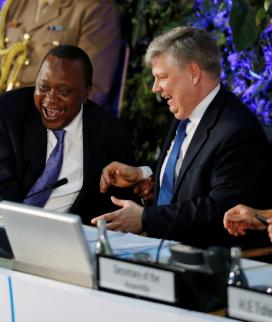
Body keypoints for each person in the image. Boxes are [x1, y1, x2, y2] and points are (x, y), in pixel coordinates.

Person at [91, 26, 272, 248]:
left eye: (162, 77)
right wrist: (145, 178)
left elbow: (221, 210)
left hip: (202, 262)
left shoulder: (237, 130)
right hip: (164, 249)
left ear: (193, 73)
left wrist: (146, 218)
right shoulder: (185, 112)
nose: (155, 88)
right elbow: (186, 187)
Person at [0, 45, 134, 223]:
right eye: (44, 87)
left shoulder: (112, 134)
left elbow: (117, 205)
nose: (50, 99)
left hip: (65, 240)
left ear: (86, 93)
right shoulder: (4, 114)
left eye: (64, 91)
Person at [0, 0, 122, 171]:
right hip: (0, 114)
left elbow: (91, 91)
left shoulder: (95, 9)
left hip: (43, 123)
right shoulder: (18, 4)